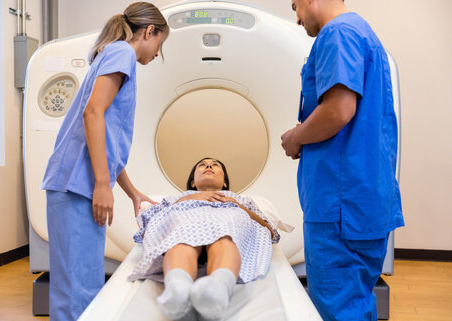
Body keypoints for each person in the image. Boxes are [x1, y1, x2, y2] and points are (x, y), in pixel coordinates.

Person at [41, 3, 169, 320]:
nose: (158, 54)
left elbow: (105, 138)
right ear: (149, 31)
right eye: (160, 45)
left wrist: (132, 192)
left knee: (75, 286)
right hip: (78, 185)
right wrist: (101, 185)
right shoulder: (123, 53)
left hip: (72, 184)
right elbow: (93, 114)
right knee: (79, 290)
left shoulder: (113, 54)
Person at [280, 0, 404, 320]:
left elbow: (338, 111)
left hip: (340, 206)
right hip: (365, 200)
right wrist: (309, 129)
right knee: (357, 301)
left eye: (296, 7)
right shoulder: (362, 33)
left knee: (338, 306)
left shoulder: (338, 33)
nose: (296, 19)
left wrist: (297, 138)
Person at [129, 157, 280, 320]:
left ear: (224, 183)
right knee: (182, 239)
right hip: (186, 229)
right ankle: (178, 288)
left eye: (215, 165)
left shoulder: (240, 200)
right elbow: (148, 230)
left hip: (227, 226)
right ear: (193, 183)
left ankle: (218, 288)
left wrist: (237, 205)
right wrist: (183, 201)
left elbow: (269, 232)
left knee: (225, 235)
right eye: (202, 165)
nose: (209, 165)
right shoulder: (176, 199)